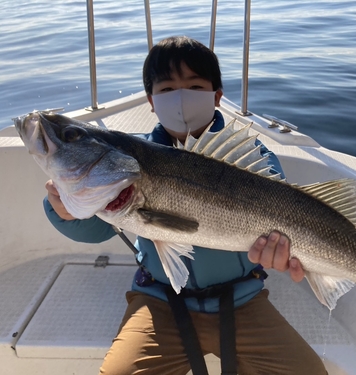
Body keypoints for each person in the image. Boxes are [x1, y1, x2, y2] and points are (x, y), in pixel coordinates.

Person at [44, 36, 327, 375]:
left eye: (194, 85)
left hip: (242, 299)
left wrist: (282, 254)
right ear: (150, 101)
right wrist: (64, 211)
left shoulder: (255, 160)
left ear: (217, 96)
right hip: (158, 300)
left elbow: (288, 218)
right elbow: (97, 228)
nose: (180, 98)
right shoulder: (127, 160)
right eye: (166, 90)